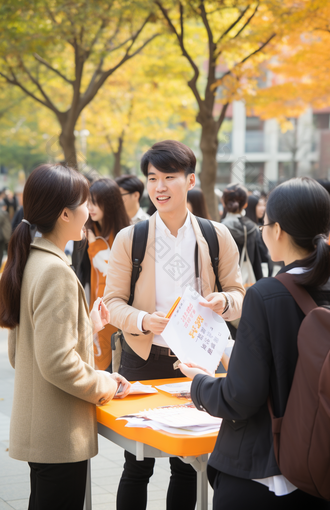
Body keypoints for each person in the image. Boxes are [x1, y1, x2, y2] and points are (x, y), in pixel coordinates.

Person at [179, 177, 330, 510]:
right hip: (326, 466)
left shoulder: (265, 295)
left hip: (264, 473)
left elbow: (240, 398)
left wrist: (198, 385)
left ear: (277, 230)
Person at [103, 139, 245, 510]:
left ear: (191, 180)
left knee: (187, 465)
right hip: (143, 360)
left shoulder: (216, 235)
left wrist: (224, 301)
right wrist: (142, 320)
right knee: (137, 464)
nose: (160, 187)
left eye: (170, 177)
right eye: (152, 178)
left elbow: (239, 294)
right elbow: (112, 303)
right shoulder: (130, 238)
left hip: (196, 363)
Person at [0, 163, 130, 510]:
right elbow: (57, 362)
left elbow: (21, 349)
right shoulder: (55, 271)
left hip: (38, 428)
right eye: (85, 203)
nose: (89, 212)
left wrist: (86, 326)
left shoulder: (29, 261)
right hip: (58, 433)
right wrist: (105, 384)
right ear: (64, 214)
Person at [86, 177, 130, 371]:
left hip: (117, 307)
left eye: (95, 202)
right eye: (88, 202)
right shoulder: (88, 231)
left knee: (115, 362)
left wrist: (93, 245)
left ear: (110, 203)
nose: (91, 208)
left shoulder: (125, 235)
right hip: (95, 306)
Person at [221, 184, 263, 281]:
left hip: (225, 286)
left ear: (223, 202)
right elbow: (258, 260)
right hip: (248, 283)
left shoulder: (219, 229)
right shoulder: (253, 227)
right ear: (245, 204)